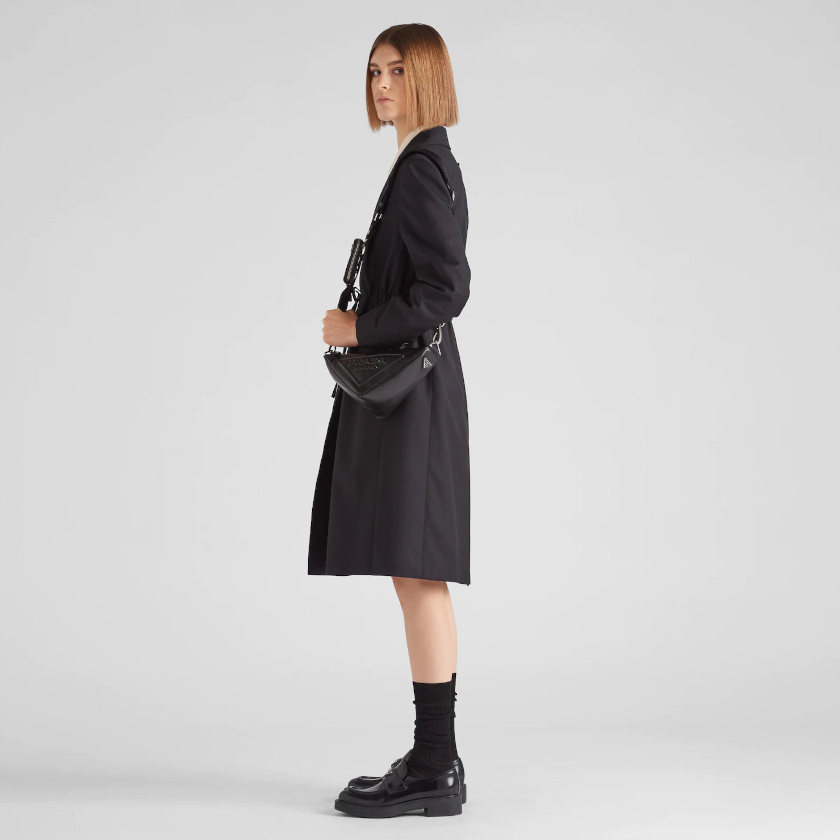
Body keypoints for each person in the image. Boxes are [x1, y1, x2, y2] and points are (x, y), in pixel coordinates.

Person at [308, 23, 471, 819]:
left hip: (415, 394)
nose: (381, 84)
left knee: (418, 572)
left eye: (398, 70)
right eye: (374, 70)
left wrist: (357, 327)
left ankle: (436, 766)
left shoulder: (420, 169)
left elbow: (447, 289)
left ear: (427, 76)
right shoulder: (424, 161)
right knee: (416, 572)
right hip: (420, 392)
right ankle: (433, 760)